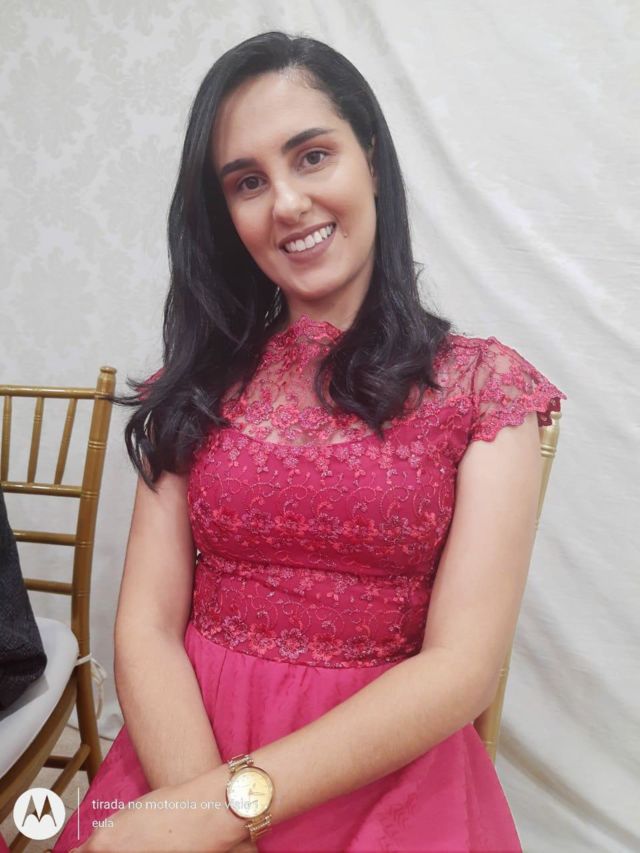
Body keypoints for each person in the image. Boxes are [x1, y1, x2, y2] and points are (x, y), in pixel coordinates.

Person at [54, 30, 566, 853]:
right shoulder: (194, 385)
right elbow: (145, 624)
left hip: (384, 771)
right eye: (248, 181)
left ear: (371, 159)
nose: (286, 203)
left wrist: (222, 811)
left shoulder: (484, 386)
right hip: (186, 750)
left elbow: (462, 667)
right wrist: (200, 813)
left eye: (312, 156)